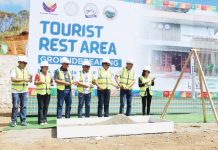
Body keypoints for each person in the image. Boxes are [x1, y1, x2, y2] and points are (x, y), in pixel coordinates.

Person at [10, 56, 32, 127]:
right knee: (15, 106)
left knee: (24, 106)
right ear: (19, 62)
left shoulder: (26, 70)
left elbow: (29, 80)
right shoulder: (14, 69)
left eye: (26, 63)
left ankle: (23, 120)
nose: (25, 64)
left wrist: (31, 77)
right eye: (23, 63)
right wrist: (23, 79)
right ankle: (14, 121)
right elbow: (13, 79)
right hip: (16, 91)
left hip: (24, 90)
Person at [34, 61, 53, 125]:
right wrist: (41, 82)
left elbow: (51, 81)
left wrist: (51, 83)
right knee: (41, 107)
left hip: (48, 93)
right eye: (45, 67)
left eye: (47, 67)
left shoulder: (49, 74)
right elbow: (35, 82)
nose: (47, 68)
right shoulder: (38, 74)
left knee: (46, 107)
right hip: (40, 93)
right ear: (42, 67)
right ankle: (41, 121)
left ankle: (45, 119)